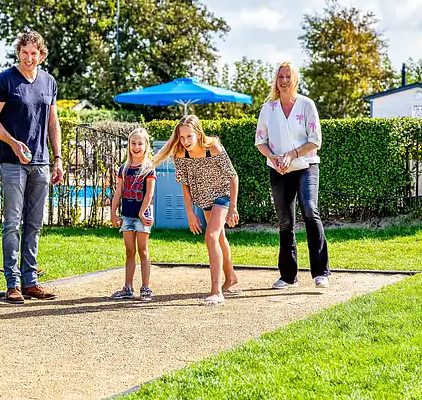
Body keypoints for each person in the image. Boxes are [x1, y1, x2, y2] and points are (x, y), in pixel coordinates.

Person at [0, 31, 63, 304]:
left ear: (42, 55)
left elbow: (53, 124)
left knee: (34, 224)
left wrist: (58, 159)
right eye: (25, 52)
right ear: (19, 52)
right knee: (12, 224)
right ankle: (13, 284)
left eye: (34, 53)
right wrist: (13, 142)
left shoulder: (48, 82)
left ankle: (31, 282)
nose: (29, 58)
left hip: (41, 163)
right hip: (12, 163)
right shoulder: (5, 80)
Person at [255, 61, 330, 289]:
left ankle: (321, 273)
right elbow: (261, 141)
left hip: (306, 166)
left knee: (310, 209)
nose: (284, 81)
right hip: (279, 169)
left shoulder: (307, 105)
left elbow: (315, 140)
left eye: (288, 77)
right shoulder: (268, 108)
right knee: (285, 221)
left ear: (295, 79)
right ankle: (288, 276)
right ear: (276, 81)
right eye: (280, 77)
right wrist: (276, 159)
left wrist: (292, 154)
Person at [153, 115, 241, 306]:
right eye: (182, 137)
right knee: (219, 238)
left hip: (222, 196)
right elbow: (184, 184)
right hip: (203, 199)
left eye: (189, 136)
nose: (185, 141)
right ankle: (231, 278)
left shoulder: (213, 148)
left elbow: (233, 176)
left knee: (210, 237)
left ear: (198, 133)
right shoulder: (180, 154)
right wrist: (190, 212)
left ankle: (216, 292)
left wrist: (233, 207)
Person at [110, 128, 156, 301]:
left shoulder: (149, 169)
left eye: (140, 143)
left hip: (142, 217)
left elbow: (149, 194)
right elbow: (118, 192)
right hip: (127, 216)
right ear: (129, 145)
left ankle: (146, 287)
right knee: (130, 252)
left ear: (146, 146)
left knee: (143, 251)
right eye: (133, 143)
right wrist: (113, 213)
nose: (136, 146)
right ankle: (128, 288)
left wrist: (143, 212)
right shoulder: (124, 169)